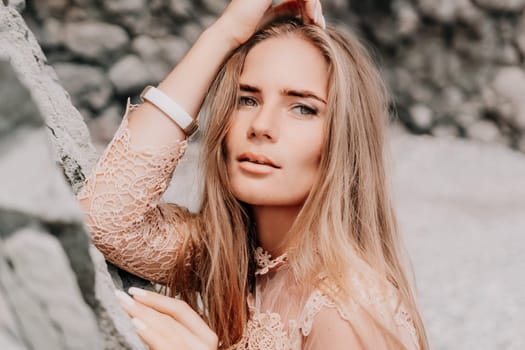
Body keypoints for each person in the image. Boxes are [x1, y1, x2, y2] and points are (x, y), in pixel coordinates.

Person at [77, 0, 428, 349]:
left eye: (302, 108)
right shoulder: (230, 257)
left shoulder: (350, 311)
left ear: (346, 142)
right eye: (247, 99)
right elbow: (107, 217)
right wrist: (224, 34)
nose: (261, 126)